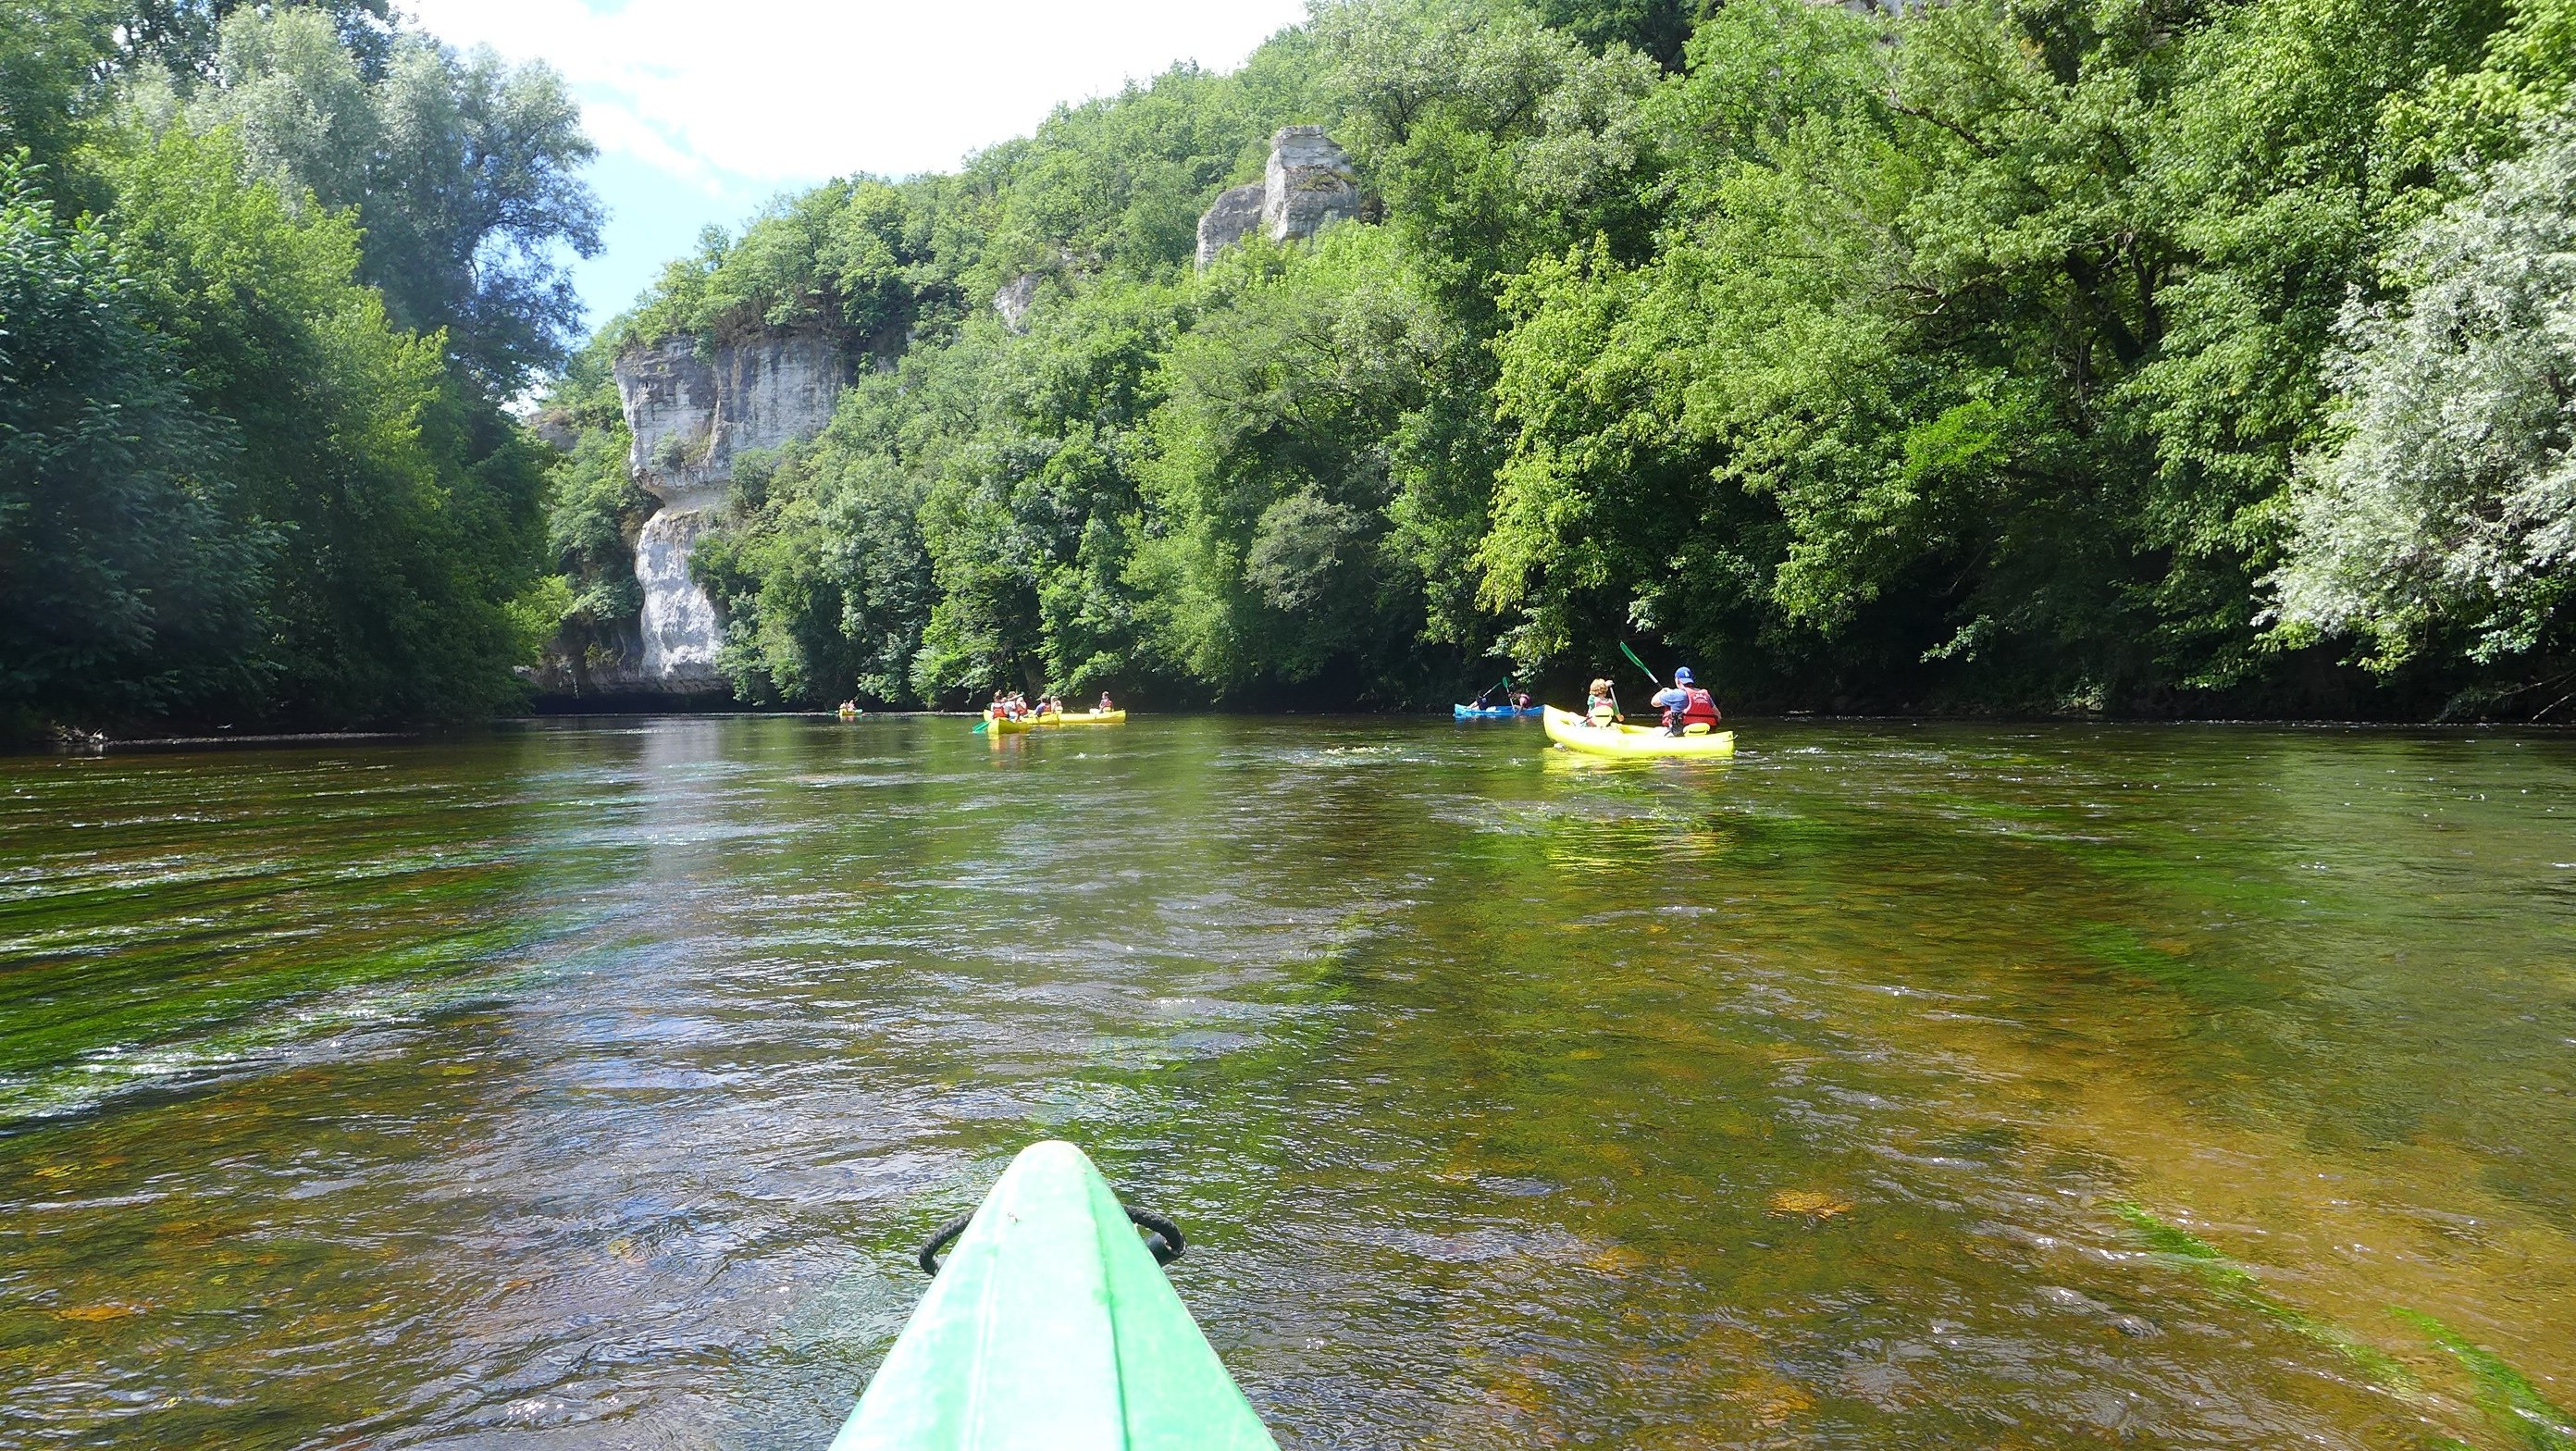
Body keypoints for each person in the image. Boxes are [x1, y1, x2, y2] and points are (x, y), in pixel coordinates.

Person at [1651, 667, 1722, 736]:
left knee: (1655, 731)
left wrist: (1663, 691)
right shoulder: (1705, 694)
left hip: (1680, 734)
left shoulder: (1675, 694)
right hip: (1706, 732)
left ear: (1677, 680)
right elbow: (1718, 715)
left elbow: (1654, 702)